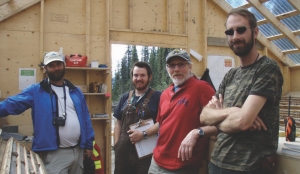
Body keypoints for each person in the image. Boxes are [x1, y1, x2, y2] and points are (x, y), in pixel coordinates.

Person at [200, 8, 284, 173]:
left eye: (241, 30)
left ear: (255, 32)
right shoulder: (231, 74)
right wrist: (235, 111)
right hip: (216, 163)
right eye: (230, 32)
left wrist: (222, 116)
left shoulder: (267, 68)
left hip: (249, 167)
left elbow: (242, 122)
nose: (235, 36)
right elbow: (204, 116)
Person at [0, 51, 94, 174]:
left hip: (78, 151)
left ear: (64, 65)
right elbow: (12, 104)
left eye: (58, 64)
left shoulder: (75, 92)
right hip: (53, 155)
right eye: (52, 65)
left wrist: (88, 145)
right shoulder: (36, 91)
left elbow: (86, 119)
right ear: (45, 69)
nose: (56, 68)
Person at [148, 49, 216, 174]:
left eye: (181, 64)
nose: (176, 69)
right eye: (172, 66)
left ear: (190, 66)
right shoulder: (165, 94)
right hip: (156, 161)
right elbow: (161, 125)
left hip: (182, 166)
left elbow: (218, 125)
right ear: (167, 68)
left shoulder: (203, 88)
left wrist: (196, 133)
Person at [113, 61, 161, 174]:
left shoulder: (158, 97)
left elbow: (163, 122)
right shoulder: (125, 97)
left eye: (142, 75)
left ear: (150, 77)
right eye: (136, 75)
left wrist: (144, 134)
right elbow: (118, 123)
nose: (139, 78)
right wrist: (116, 145)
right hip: (122, 155)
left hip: (146, 155)